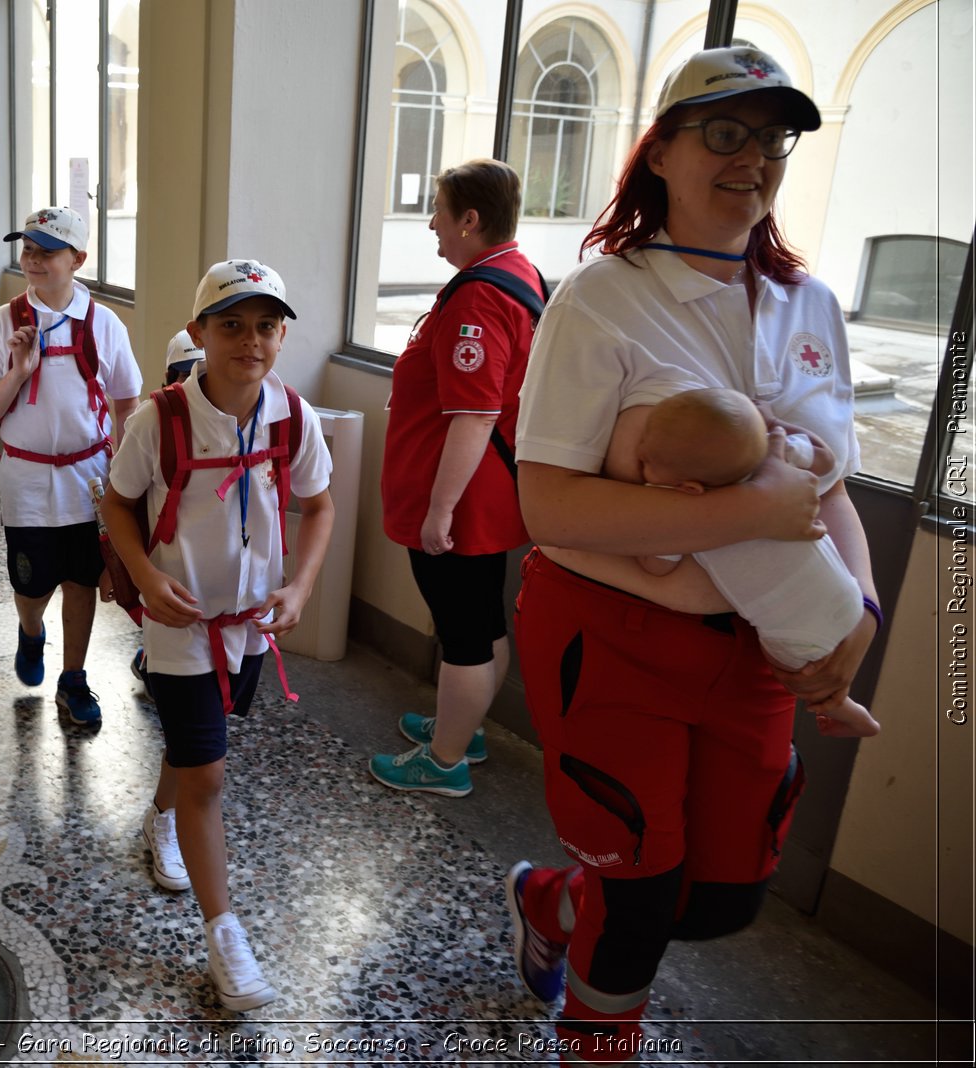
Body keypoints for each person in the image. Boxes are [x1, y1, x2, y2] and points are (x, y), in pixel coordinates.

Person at [505, 47, 878, 1066]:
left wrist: (861, 615)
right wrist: (753, 509)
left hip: (749, 655)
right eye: (723, 132)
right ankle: (595, 1041)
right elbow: (545, 506)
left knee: (718, 901)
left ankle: (549, 896)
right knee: (640, 897)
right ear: (660, 150)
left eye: (770, 138)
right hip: (610, 637)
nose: (751, 157)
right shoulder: (598, 299)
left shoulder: (812, 307)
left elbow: (828, 486)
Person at [100, 260, 334, 1011]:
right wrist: (140, 574)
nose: (251, 340)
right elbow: (116, 503)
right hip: (179, 627)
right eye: (231, 324)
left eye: (266, 325)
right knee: (209, 774)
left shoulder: (293, 417)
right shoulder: (160, 420)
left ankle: (158, 817)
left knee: (195, 745)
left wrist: (299, 587)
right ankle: (225, 937)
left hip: (250, 630)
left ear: (283, 335)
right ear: (199, 333)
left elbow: (321, 506)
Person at [368, 159, 544, 798]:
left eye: (439, 213)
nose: (433, 227)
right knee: (480, 621)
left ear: (472, 220)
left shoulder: (479, 294)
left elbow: (476, 412)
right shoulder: (516, 273)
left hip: (463, 500)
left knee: (466, 631)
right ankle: (459, 727)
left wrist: (439, 511)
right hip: (488, 491)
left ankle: (443, 762)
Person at [612, 387, 879, 737]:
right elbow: (827, 460)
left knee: (794, 673)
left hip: (796, 636)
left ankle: (841, 706)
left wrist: (649, 517)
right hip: (849, 594)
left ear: (690, 488)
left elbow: (655, 566)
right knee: (814, 662)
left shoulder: (686, 515)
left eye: (645, 460)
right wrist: (775, 425)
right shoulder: (772, 457)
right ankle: (846, 705)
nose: (640, 462)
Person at [0, 206, 142, 727]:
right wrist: (20, 372)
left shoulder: (103, 324)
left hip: (87, 477)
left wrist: (122, 475)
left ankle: (73, 677)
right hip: (23, 476)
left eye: (48, 251)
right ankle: (31, 629)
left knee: (81, 578)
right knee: (30, 582)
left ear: (78, 259)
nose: (34, 261)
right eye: (28, 251)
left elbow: (127, 402)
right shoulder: (5, 322)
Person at [128, 327, 209, 685]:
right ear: (169, 379)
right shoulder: (149, 421)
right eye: (184, 374)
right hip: (163, 555)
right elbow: (123, 504)